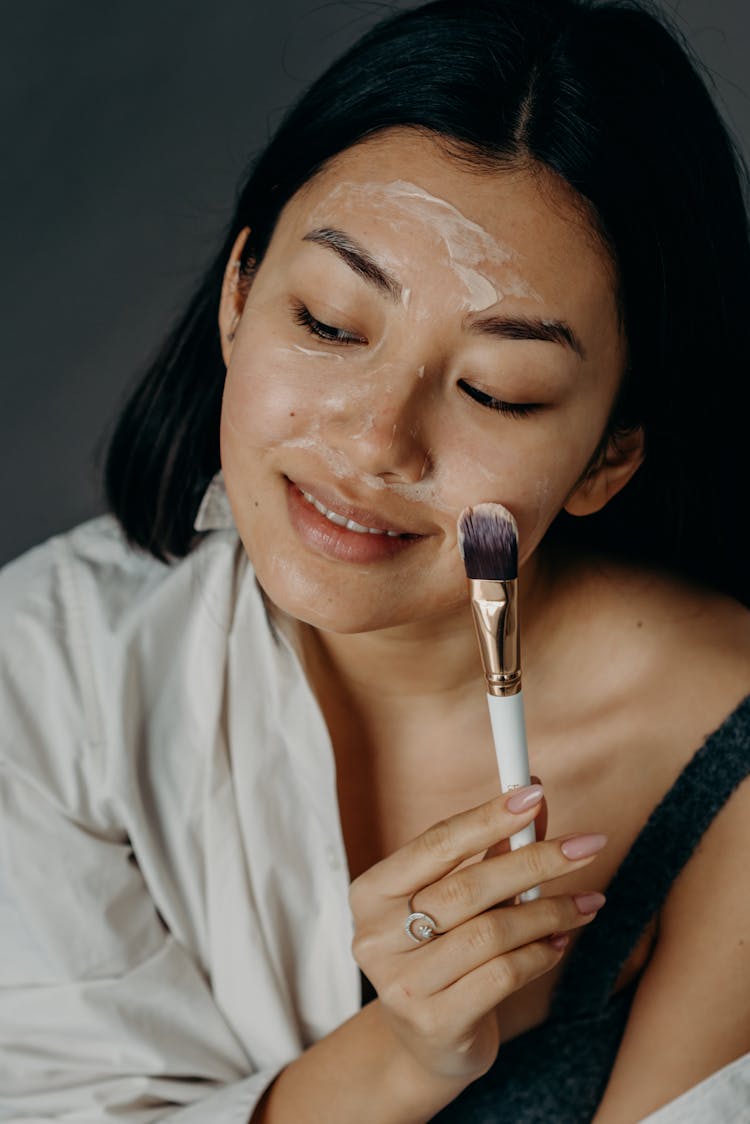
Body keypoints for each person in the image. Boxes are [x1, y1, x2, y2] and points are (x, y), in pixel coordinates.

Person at [1, 0, 749, 1120]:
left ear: (608, 454)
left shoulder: (728, 749)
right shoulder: (48, 670)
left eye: (498, 390)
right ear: (241, 291)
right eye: (333, 322)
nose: (372, 444)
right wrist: (403, 1055)